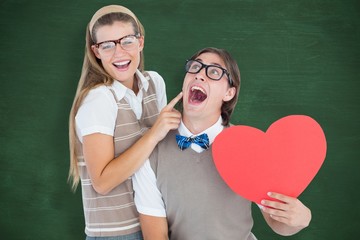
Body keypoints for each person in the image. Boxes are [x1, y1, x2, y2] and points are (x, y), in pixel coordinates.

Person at [132, 47, 312, 239]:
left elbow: (278, 223)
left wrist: (300, 219)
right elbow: (155, 236)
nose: (200, 75)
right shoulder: (151, 151)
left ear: (229, 93)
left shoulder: (247, 146)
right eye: (195, 67)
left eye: (214, 72)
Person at [68, 5, 182, 239]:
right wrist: (154, 134)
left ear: (140, 42)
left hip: (157, 223)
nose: (119, 53)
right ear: (96, 51)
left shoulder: (154, 82)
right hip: (117, 233)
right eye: (107, 45)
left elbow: (158, 156)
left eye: (127, 41)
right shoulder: (99, 99)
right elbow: (102, 182)